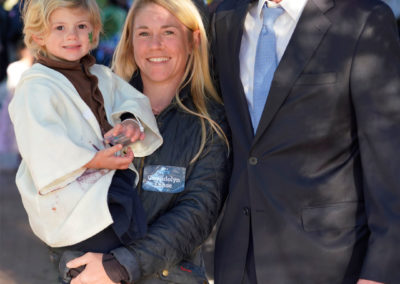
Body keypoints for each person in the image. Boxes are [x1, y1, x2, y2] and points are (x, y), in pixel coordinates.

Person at [210, 0, 400, 283]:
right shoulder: (222, 16)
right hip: (238, 262)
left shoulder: (364, 18)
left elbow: (388, 159)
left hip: (329, 263)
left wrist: (380, 271)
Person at [65, 0, 231, 283]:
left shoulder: (211, 124)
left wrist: (120, 267)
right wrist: (71, 264)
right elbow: (57, 191)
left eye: (168, 32)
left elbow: (197, 213)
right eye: (143, 33)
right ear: (129, 42)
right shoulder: (96, 110)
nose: (155, 45)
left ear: (193, 41)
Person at [9, 0, 163, 282]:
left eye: (82, 26)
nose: (72, 35)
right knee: (92, 270)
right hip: (73, 203)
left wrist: (130, 122)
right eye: (60, 27)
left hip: (113, 191)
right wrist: (93, 160)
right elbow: (42, 142)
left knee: (125, 263)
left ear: (94, 32)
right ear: (38, 36)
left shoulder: (101, 75)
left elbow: (133, 101)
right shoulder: (36, 85)